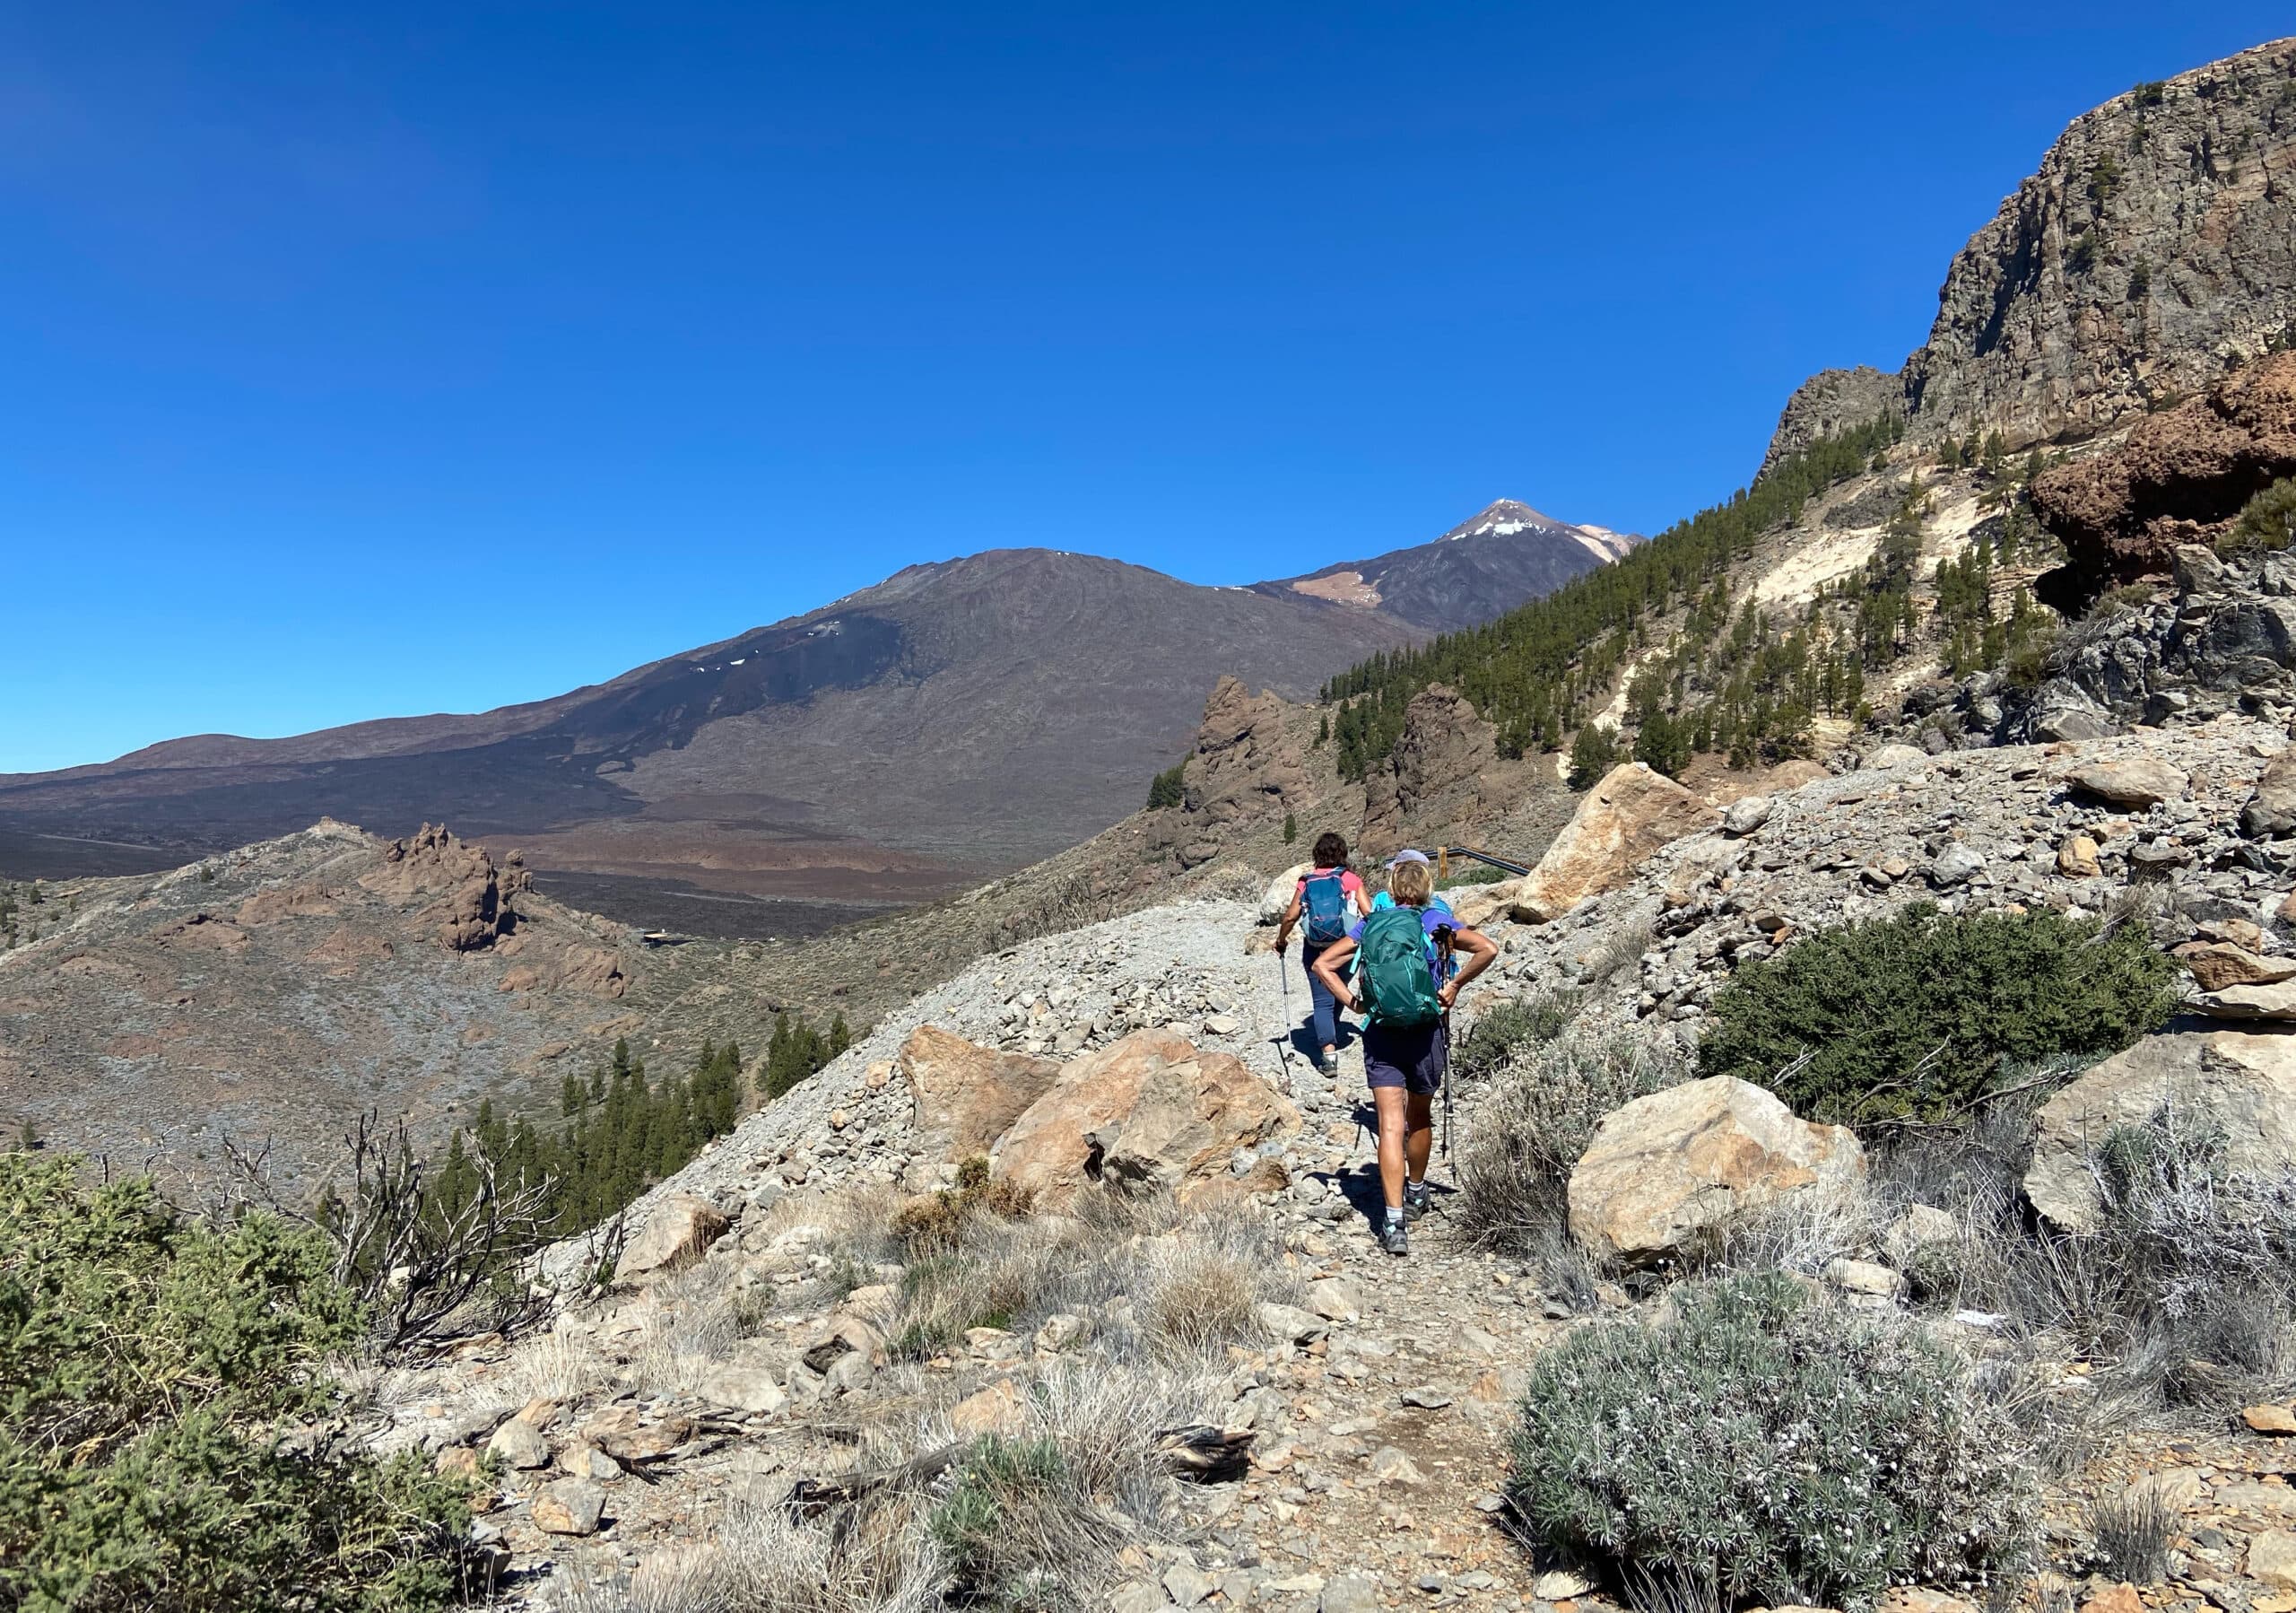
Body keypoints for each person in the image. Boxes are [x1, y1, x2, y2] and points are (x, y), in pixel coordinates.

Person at [1310, 852, 1497, 1257]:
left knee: (1390, 1125)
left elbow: (1324, 965)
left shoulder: (1370, 924)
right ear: (1428, 889)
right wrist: (1455, 986)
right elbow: (1487, 949)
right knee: (1419, 1117)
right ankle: (1416, 1192)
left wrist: (1355, 1004)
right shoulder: (1435, 923)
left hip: (1381, 1033)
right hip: (1425, 1034)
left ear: (1392, 890)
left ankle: (1393, 1223)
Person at [1274, 832, 1372, 1075]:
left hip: (1316, 949)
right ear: (1342, 854)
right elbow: (1369, 914)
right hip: (1347, 947)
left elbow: (1290, 916)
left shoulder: (1306, 882)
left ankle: (1329, 1055)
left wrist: (1281, 939)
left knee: (1322, 1000)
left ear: (1317, 854)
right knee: (1337, 990)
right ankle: (1332, 1030)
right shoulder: (1350, 879)